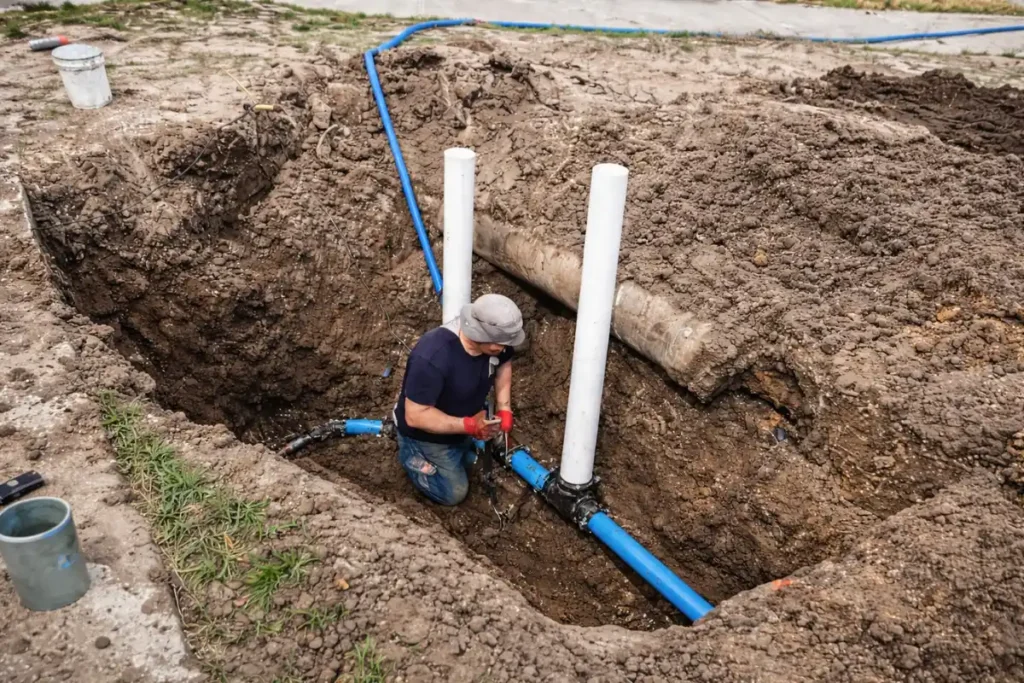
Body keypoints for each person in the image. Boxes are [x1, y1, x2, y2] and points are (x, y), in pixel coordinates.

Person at [394, 293, 525, 506]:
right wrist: (470, 425)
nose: (503, 349)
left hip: (463, 425)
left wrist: (504, 408)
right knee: (454, 492)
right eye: (499, 345)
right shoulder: (432, 356)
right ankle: (412, 457)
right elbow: (415, 416)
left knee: (472, 463)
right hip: (425, 437)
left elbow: (503, 365)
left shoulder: (497, 343)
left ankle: (463, 449)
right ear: (479, 334)